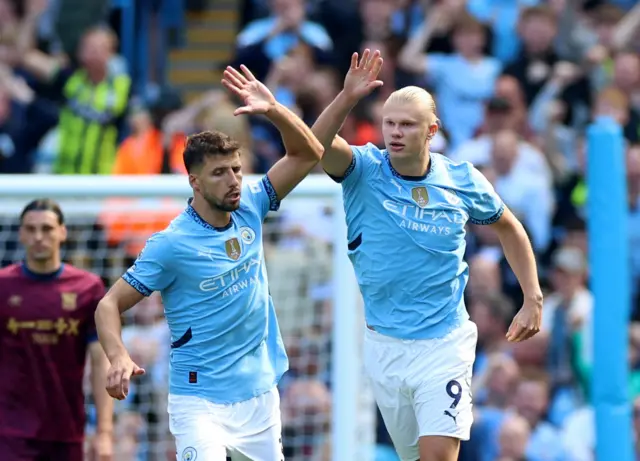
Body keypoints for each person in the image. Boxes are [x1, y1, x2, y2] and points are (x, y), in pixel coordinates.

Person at [311, 49, 543, 461]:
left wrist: (532, 297)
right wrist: (346, 97)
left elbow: (509, 226)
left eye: (407, 125)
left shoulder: (461, 179)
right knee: (414, 456)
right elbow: (315, 145)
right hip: (384, 344)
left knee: (437, 456)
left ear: (431, 130)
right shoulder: (363, 169)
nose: (395, 132)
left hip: (444, 342)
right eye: (390, 123)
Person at [94, 64, 324, 461]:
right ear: (195, 182)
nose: (234, 180)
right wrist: (118, 356)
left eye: (236, 169)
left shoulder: (252, 204)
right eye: (219, 173)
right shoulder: (172, 244)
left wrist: (273, 110)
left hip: (259, 397)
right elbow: (108, 304)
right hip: (198, 400)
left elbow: (308, 153)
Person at [0, 199, 113, 461]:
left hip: (66, 431)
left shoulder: (88, 288)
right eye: (31, 229)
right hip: (9, 431)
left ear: (62, 232)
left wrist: (105, 432)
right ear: (21, 234)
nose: (39, 237)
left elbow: (101, 361)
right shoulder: (3, 287)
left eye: (47, 229)